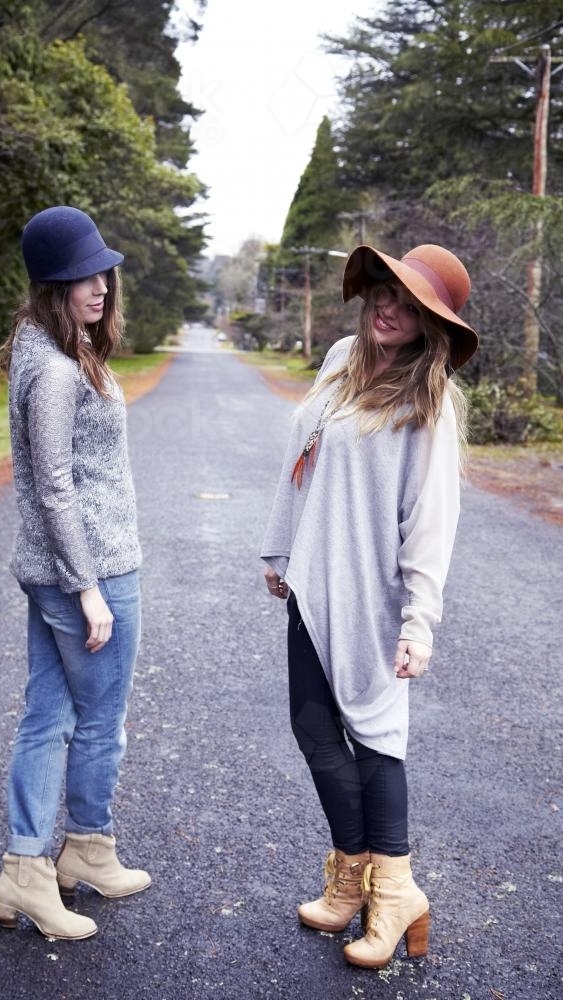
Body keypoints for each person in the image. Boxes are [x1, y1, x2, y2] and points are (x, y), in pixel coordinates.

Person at [261, 243, 478, 969]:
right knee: (314, 730)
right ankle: (351, 878)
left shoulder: (430, 403)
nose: (389, 307)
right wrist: (280, 549)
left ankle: (396, 893)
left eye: (409, 304)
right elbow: (302, 460)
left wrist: (419, 622)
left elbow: (430, 522)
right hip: (313, 582)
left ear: (429, 325)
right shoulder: (339, 358)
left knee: (377, 739)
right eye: (384, 291)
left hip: (374, 596)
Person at [0, 206, 150, 941]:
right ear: (51, 285)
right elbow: (54, 483)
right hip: (89, 566)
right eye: (80, 276)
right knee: (98, 724)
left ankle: (52, 861)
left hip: (57, 565)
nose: (99, 285)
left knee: (48, 716)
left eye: (101, 271)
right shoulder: (56, 368)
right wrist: (89, 589)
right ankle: (70, 852)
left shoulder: (43, 345)